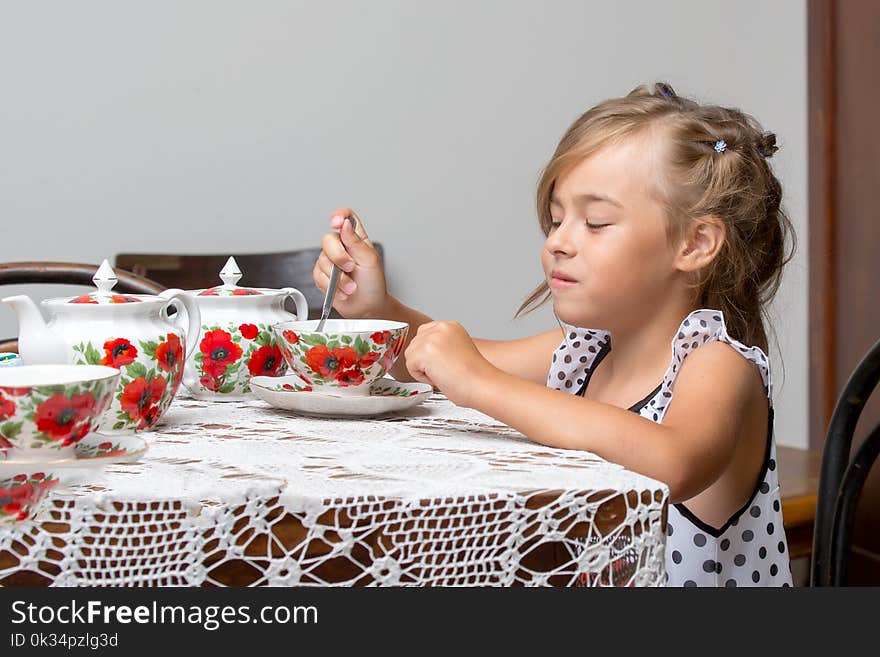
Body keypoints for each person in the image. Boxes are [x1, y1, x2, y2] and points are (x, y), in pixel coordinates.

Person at [313, 82, 795, 587]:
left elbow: (671, 463)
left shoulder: (720, 364)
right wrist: (377, 308)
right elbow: (437, 361)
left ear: (695, 244)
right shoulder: (581, 354)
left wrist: (480, 384)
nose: (558, 242)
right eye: (557, 219)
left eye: (596, 222)